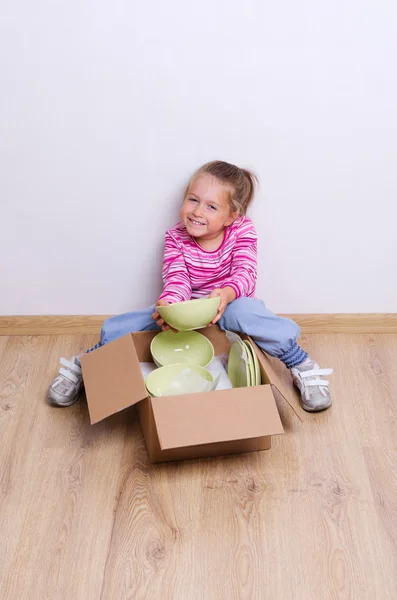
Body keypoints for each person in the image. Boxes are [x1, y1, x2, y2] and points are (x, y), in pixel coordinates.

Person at [48, 161, 333, 412]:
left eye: (211, 206)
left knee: (246, 312)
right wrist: (170, 306)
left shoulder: (242, 230)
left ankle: (301, 365)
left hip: (228, 307)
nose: (197, 212)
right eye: (193, 200)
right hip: (185, 311)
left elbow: (245, 273)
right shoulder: (175, 237)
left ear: (231, 216)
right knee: (134, 322)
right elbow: (176, 279)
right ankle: (87, 363)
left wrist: (226, 294)